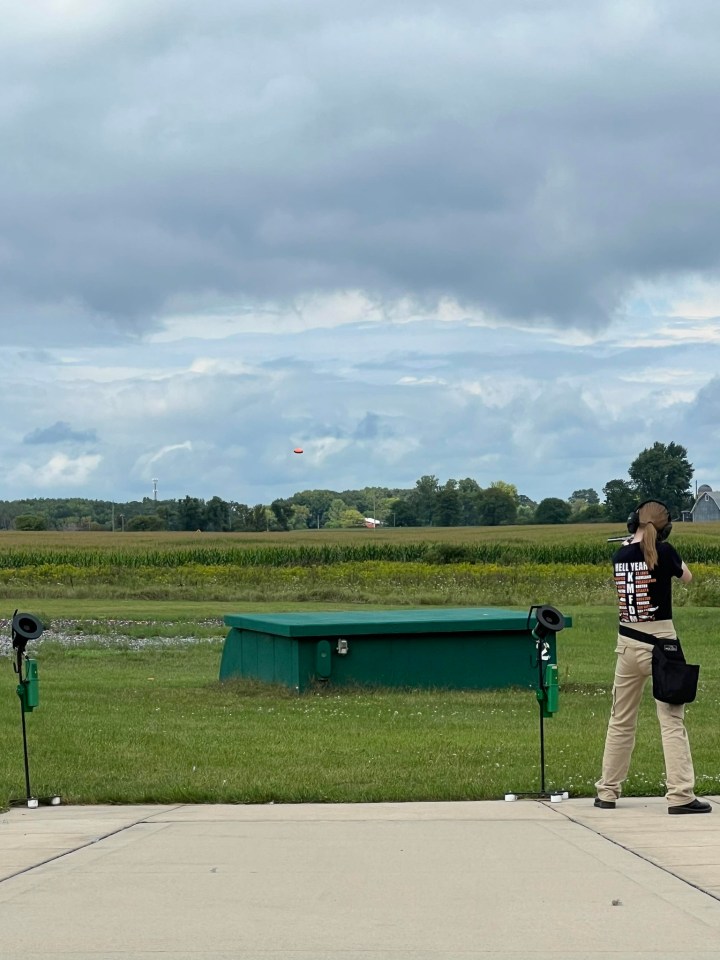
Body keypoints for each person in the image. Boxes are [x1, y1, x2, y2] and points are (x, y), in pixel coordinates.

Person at [595, 499, 711, 815]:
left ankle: (607, 790)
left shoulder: (619, 555)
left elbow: (635, 558)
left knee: (620, 719)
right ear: (664, 529)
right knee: (671, 721)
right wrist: (668, 550)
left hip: (627, 643)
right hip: (662, 644)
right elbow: (686, 577)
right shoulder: (666, 552)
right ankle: (680, 795)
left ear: (632, 523)